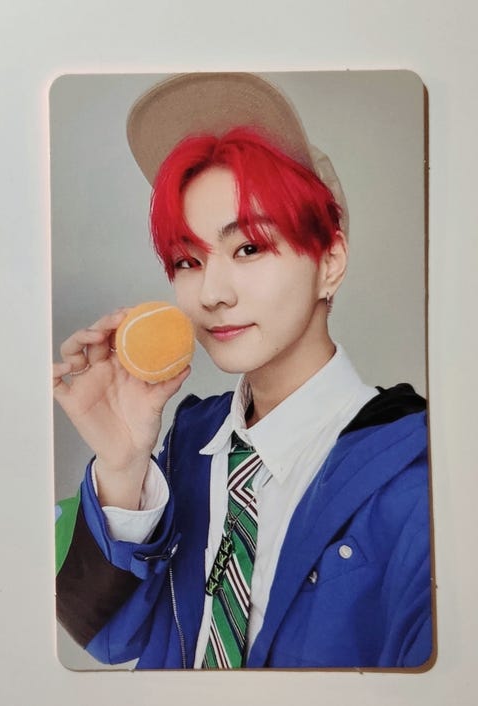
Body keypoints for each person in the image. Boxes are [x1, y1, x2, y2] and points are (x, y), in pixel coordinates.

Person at [53, 73, 432, 669]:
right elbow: (105, 638)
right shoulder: (189, 444)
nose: (211, 293)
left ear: (330, 261)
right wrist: (123, 467)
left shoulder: (421, 479)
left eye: (248, 248)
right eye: (187, 259)